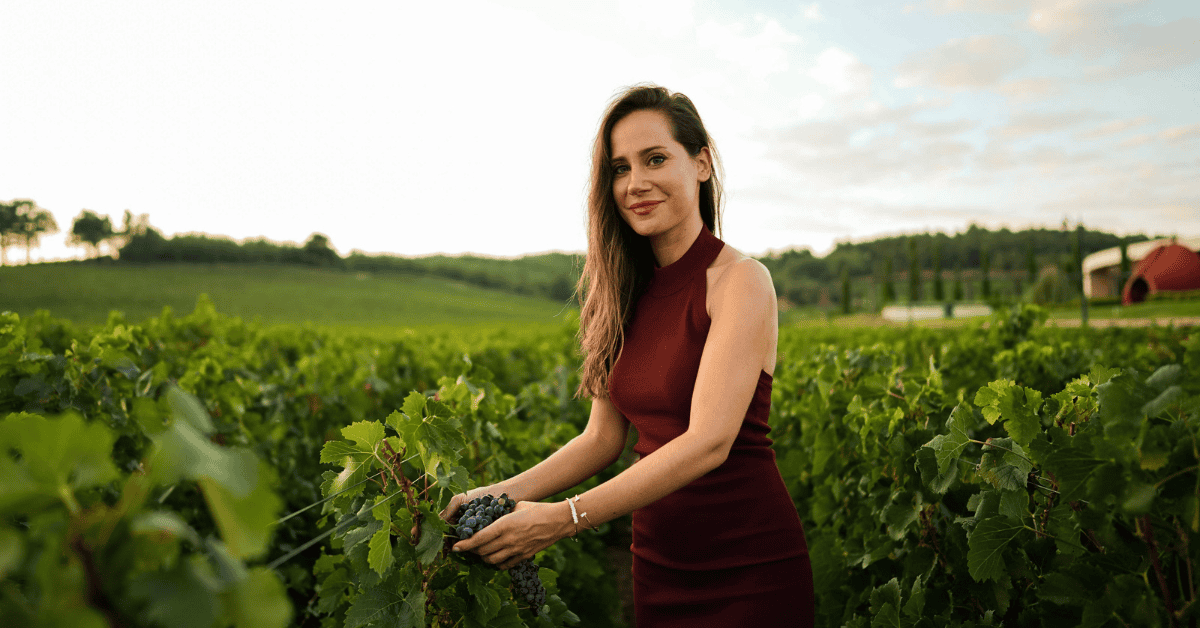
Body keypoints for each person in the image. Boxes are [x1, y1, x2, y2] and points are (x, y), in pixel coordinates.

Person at [441, 84, 815, 626]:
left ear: (702, 164)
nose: (636, 183)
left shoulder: (740, 281)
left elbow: (709, 441)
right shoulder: (621, 294)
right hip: (659, 563)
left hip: (750, 563)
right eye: (619, 168)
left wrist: (564, 518)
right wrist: (497, 494)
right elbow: (602, 439)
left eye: (655, 159)